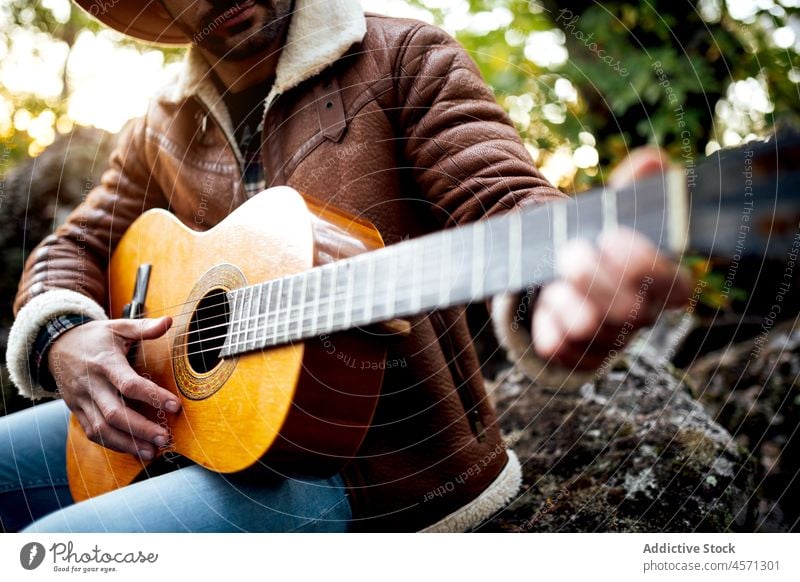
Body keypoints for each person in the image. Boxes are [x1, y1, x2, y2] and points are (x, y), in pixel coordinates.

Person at [0, 0, 690, 532]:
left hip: (365, 475)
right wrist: (65, 338)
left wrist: (564, 280)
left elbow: (502, 200)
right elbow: (72, 246)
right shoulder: (159, 126)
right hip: (188, 435)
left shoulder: (404, 55)